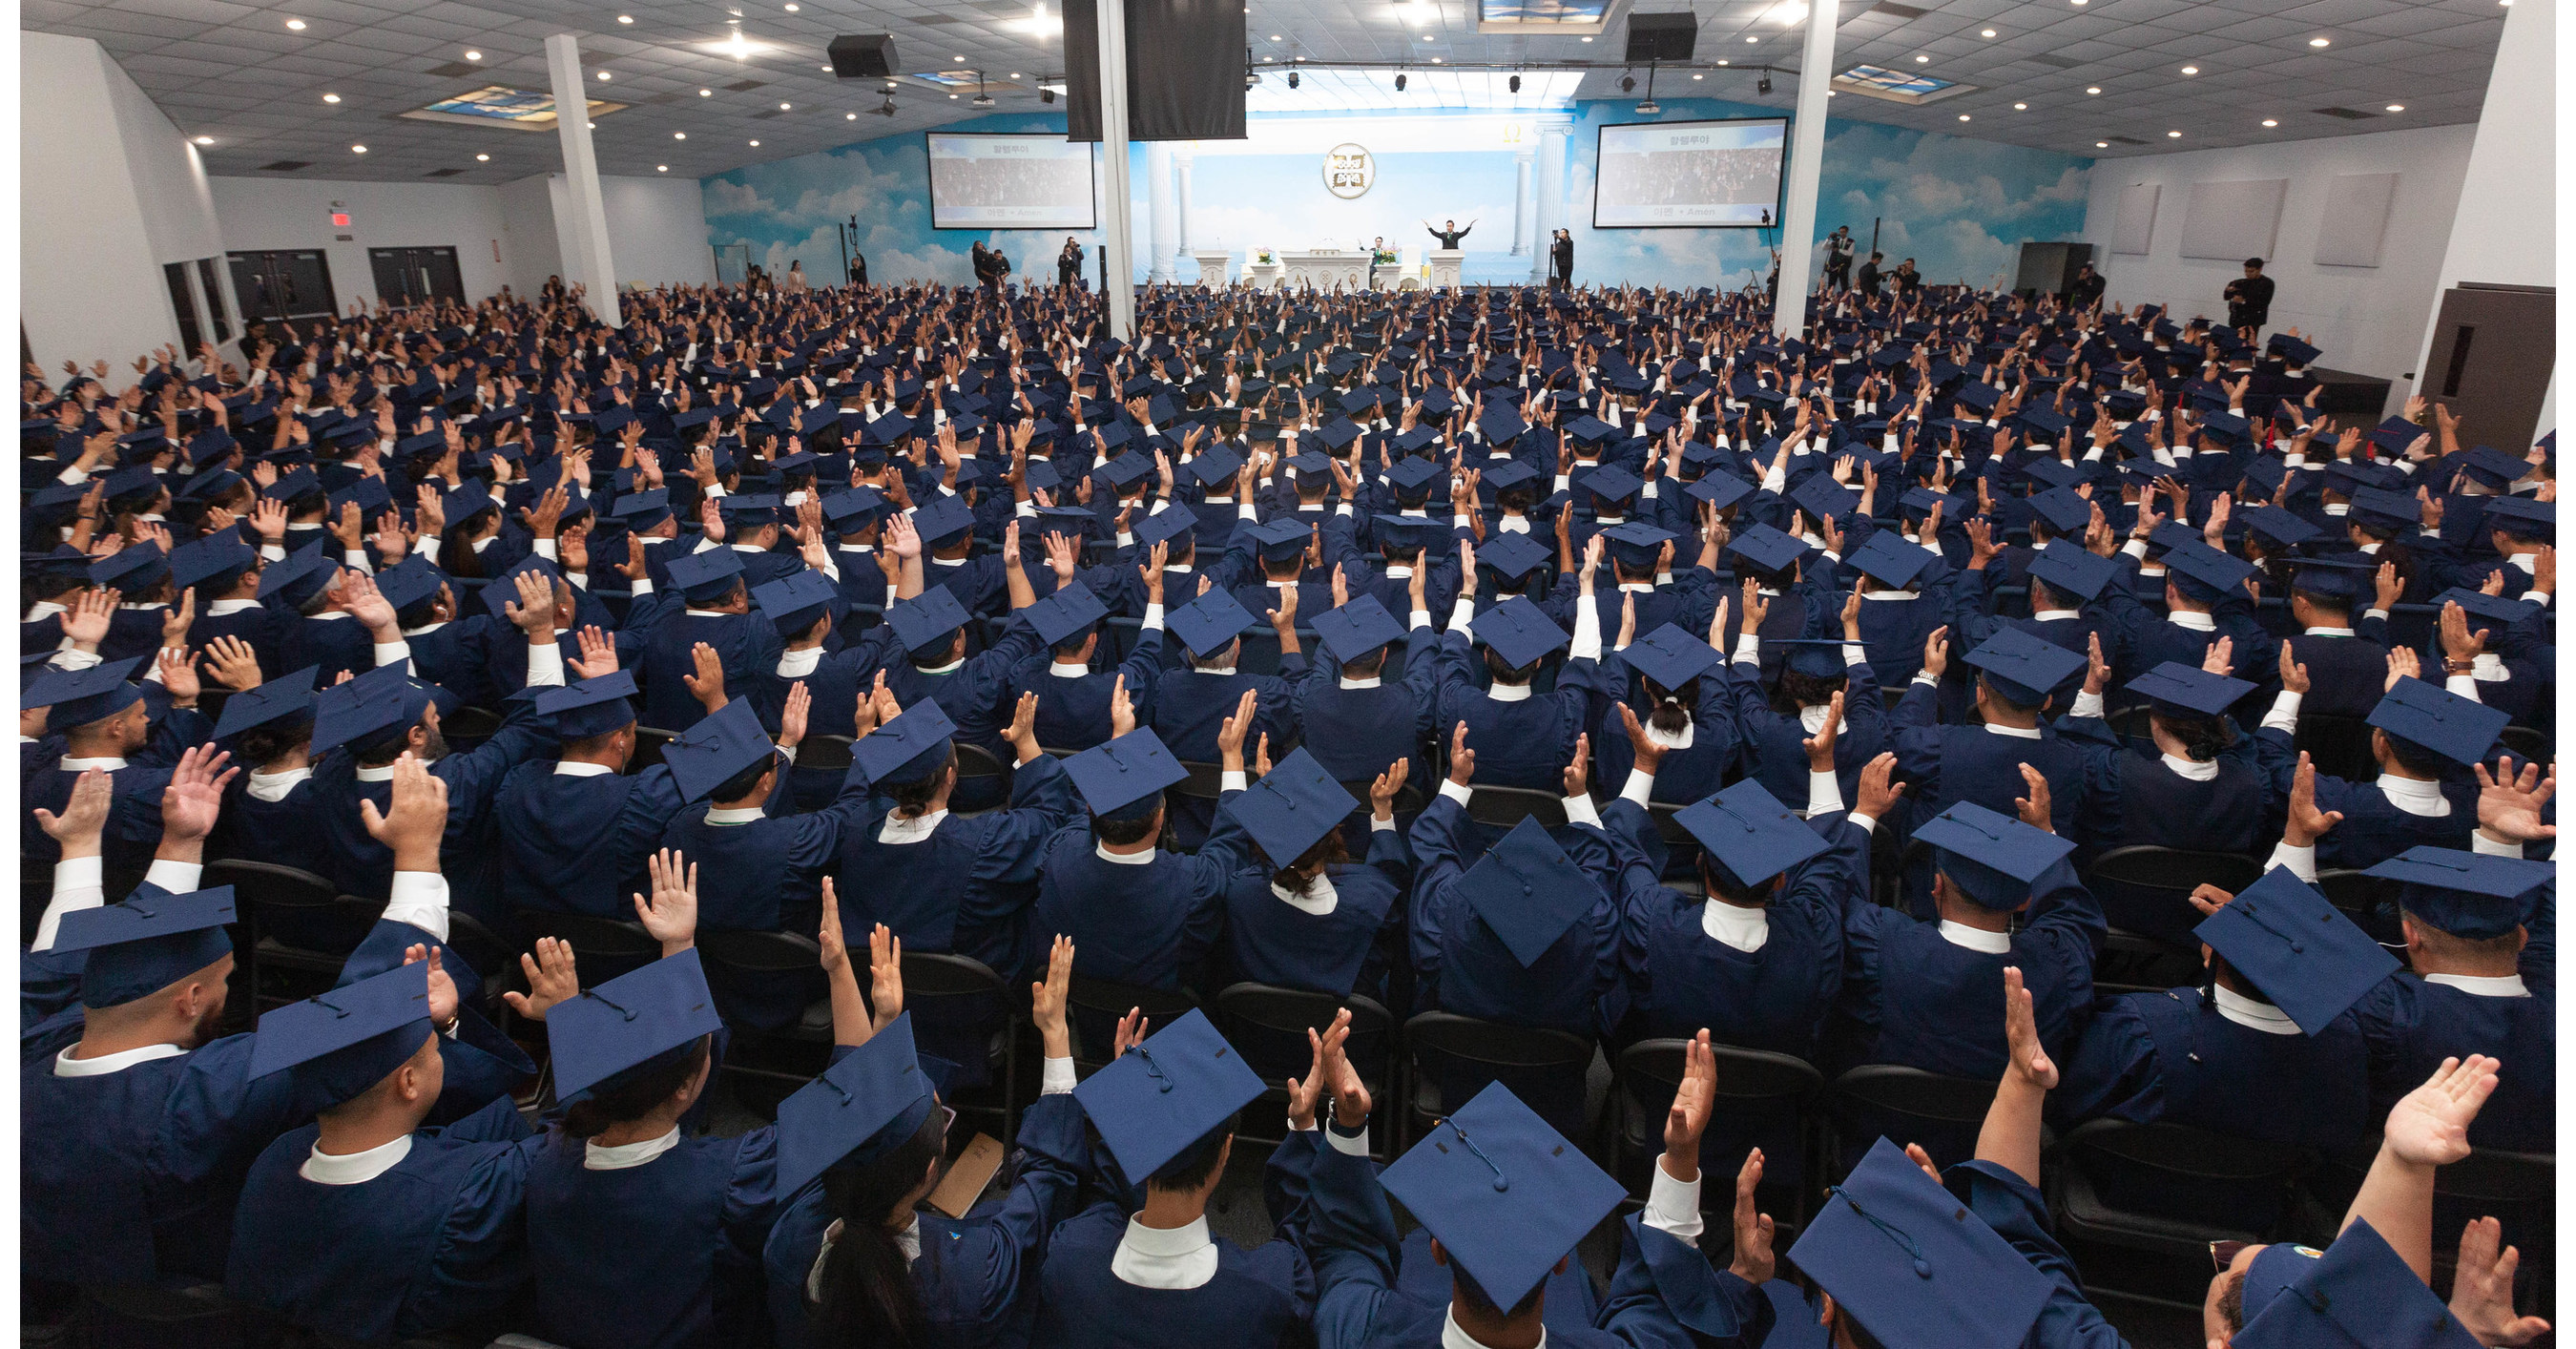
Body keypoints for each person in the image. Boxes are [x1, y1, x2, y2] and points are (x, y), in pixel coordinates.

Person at [762, 937, 1091, 1349]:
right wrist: (1056, 1033)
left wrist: (884, 1030)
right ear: (929, 1173)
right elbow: (1049, 1183)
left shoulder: (789, 1240)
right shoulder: (971, 1276)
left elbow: (847, 1133)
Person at [1038, 1007, 1315, 1349]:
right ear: (1226, 1152)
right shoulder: (1266, 1288)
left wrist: (1131, 1101)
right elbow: (1302, 1237)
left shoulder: (1070, 1255)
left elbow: (1106, 1197)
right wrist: (1303, 1130)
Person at [2225, 257, 2275, 336]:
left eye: (2251, 271)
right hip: (2237, 318)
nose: (2248, 274)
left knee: (2247, 343)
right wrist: (2228, 291)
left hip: (2252, 320)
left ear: (2259, 269)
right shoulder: (2241, 282)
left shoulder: (2267, 283)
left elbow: (2264, 303)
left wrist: (2244, 301)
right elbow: (2226, 297)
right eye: (2246, 271)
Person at [1822, 226, 1854, 290]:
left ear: (1847, 232)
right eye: (1840, 232)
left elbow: (1849, 253)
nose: (1842, 233)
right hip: (1833, 267)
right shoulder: (1836, 241)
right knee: (1831, 285)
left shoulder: (1851, 241)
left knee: (1844, 285)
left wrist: (1839, 250)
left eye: (1843, 232)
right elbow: (1824, 247)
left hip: (1843, 266)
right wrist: (1829, 237)